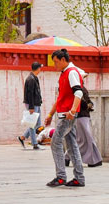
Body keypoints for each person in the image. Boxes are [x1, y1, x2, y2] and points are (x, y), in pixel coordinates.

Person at [42, 48, 86, 188]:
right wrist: (50, 114)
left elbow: (78, 92)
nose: (54, 65)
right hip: (65, 113)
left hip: (67, 115)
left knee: (55, 142)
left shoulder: (71, 72)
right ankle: (79, 178)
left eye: (56, 62)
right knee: (72, 145)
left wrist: (72, 111)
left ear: (63, 60)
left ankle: (61, 176)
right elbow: (60, 98)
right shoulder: (64, 73)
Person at [20, 61, 43, 150]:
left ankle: (22, 137)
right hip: (32, 104)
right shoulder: (31, 79)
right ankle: (35, 144)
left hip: (36, 103)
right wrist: (31, 107)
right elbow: (30, 94)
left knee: (37, 124)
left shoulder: (34, 78)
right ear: (38, 69)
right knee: (33, 124)